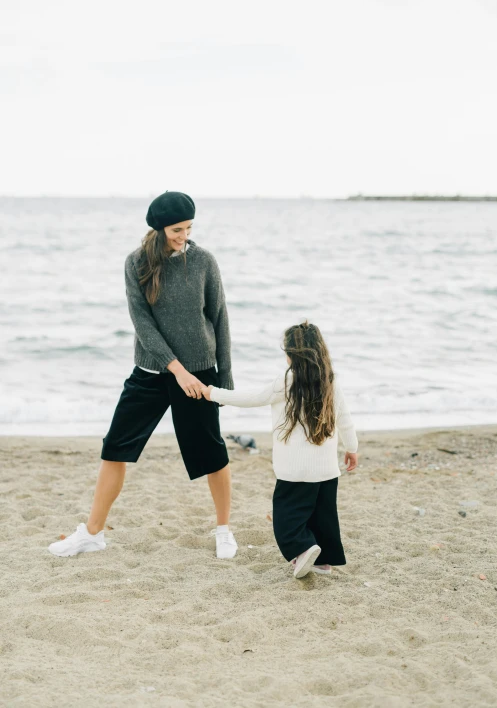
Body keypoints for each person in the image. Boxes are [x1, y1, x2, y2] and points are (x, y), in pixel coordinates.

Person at [48, 191, 238, 560]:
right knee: (114, 449)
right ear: (158, 228)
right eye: (176, 229)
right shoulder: (136, 263)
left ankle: (224, 531)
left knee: (212, 455)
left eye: (188, 228)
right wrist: (176, 371)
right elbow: (143, 325)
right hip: (151, 371)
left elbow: (220, 317)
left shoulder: (203, 261)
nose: (184, 235)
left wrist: (224, 380)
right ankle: (92, 533)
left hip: (200, 373)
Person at [201, 321, 358, 578]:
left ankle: (303, 549)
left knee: (287, 518)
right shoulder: (330, 379)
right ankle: (323, 562)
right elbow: (345, 418)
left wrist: (213, 393)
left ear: (291, 355)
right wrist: (352, 448)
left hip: (293, 469)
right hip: (326, 470)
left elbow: (252, 398)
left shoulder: (287, 380)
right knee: (323, 516)